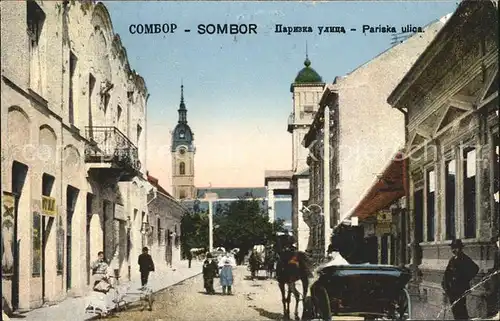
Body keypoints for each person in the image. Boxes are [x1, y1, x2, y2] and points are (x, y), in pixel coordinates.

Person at [442, 239, 479, 320]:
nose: (454, 250)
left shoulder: (465, 259)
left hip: (460, 289)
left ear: (461, 248)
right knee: (455, 310)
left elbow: (475, 269)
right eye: (452, 248)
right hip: (451, 290)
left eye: (456, 248)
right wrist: (445, 285)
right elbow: (446, 274)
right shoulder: (452, 259)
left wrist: (464, 279)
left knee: (461, 310)